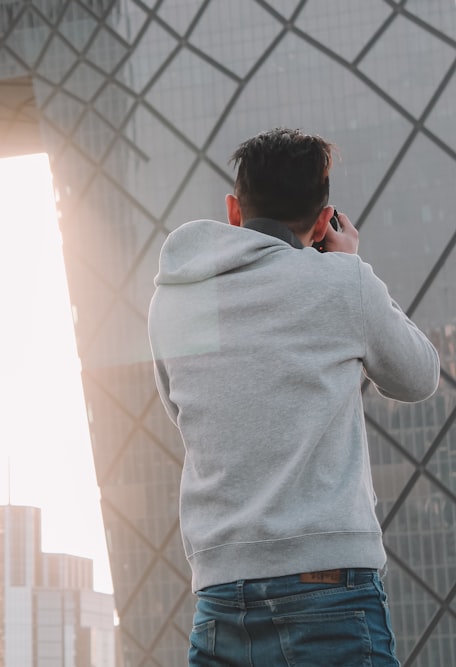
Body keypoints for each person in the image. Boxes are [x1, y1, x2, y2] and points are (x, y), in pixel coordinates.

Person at [147, 127, 440, 666]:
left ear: (234, 209)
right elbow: (419, 376)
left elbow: (187, 411)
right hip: (329, 587)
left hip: (221, 598)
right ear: (325, 218)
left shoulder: (177, 299)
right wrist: (350, 265)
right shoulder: (339, 283)